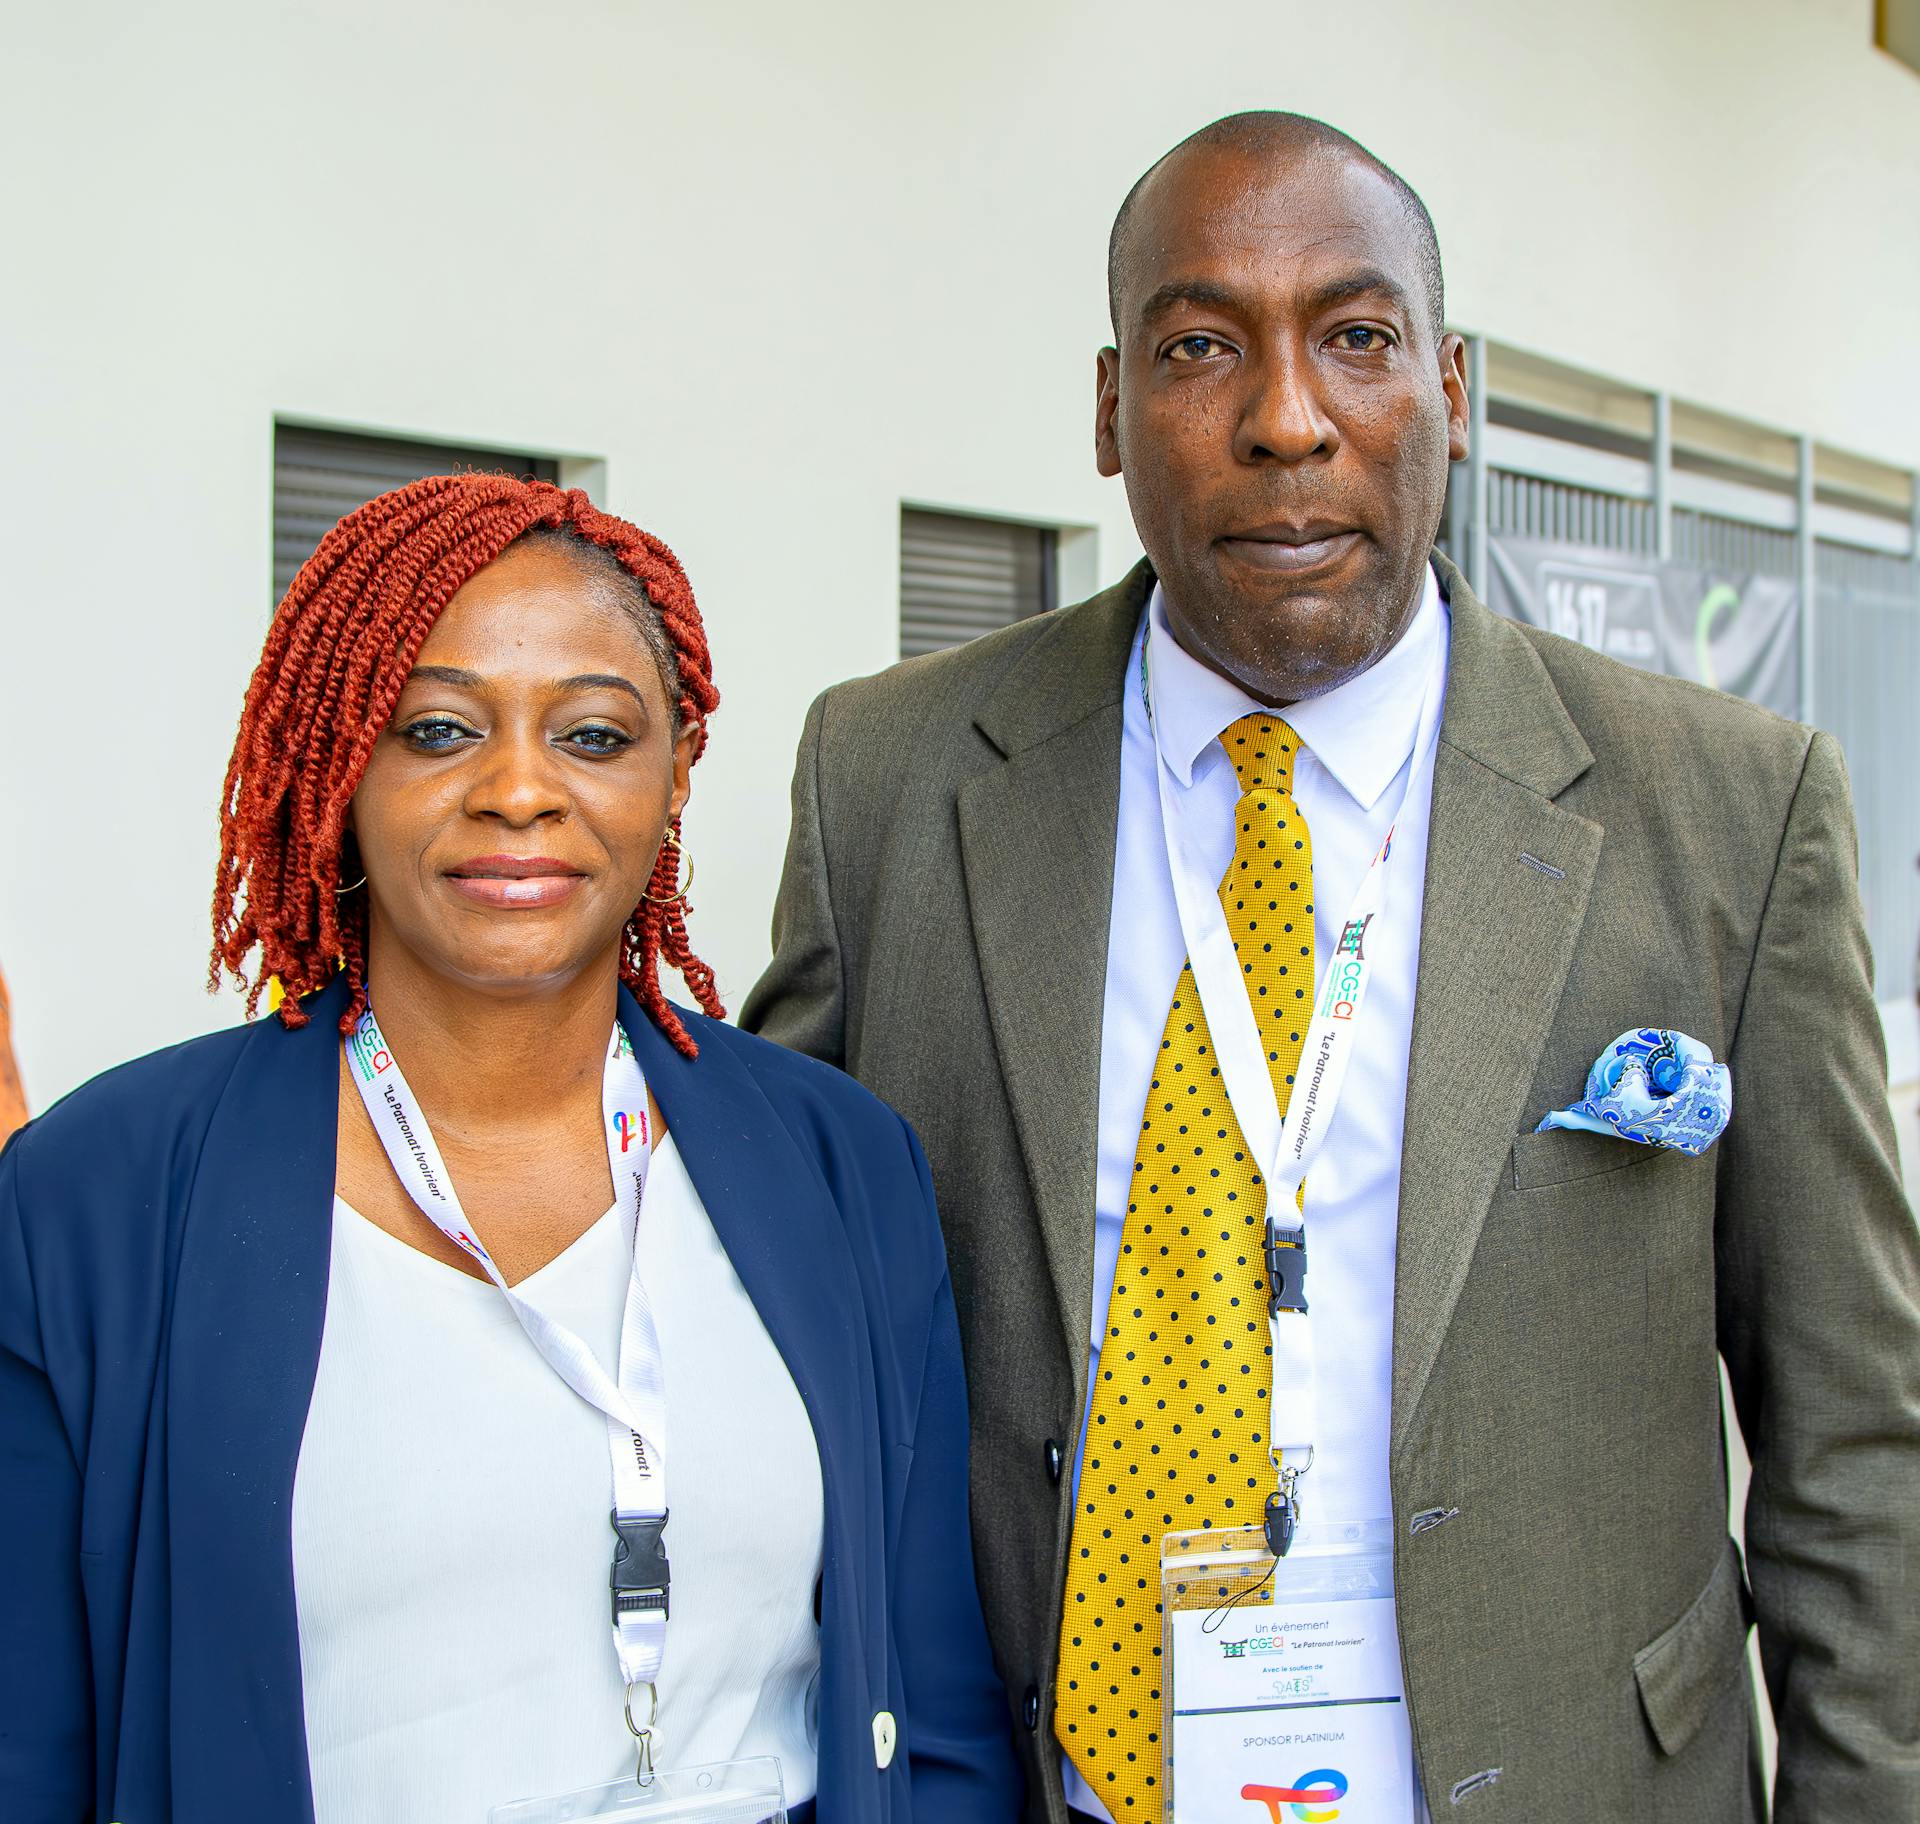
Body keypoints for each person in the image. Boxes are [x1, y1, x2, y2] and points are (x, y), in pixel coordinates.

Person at [743, 112, 1920, 1822]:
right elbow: (794, 1345)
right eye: (1202, 346)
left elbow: (1854, 1447)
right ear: (1107, 407)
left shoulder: (1728, 814)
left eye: (1356, 340)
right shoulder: (893, 781)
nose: (1286, 419)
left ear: (1450, 390)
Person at [0, 475, 1022, 1824]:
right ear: (339, 764)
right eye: (437, 729)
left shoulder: (841, 1168)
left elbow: (939, 1722)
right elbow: (28, 1753)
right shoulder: (98, 1197)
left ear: (672, 782)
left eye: (595, 735)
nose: (520, 791)